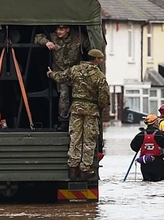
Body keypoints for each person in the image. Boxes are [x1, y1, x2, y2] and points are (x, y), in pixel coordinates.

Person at [47, 49, 109, 181]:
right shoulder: (99, 76)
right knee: (89, 139)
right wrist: (100, 107)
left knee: (75, 137)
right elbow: (104, 98)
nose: (101, 61)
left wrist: (51, 74)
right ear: (96, 60)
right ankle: (85, 169)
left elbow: (61, 77)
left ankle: (73, 169)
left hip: (76, 109)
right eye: (101, 59)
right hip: (91, 110)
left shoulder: (75, 70)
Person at [35, 25, 91, 131]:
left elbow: (90, 46)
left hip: (75, 72)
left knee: (78, 96)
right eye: (57, 29)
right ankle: (64, 121)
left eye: (61, 29)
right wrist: (46, 42)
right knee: (64, 95)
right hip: (60, 73)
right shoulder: (53, 37)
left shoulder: (78, 37)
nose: (58, 31)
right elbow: (37, 37)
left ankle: (79, 121)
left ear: (68, 29)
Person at [130, 114, 164, 182]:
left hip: (145, 165)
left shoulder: (140, 135)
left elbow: (133, 147)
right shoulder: (161, 135)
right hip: (159, 164)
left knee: (147, 182)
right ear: (155, 122)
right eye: (158, 121)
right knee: (161, 182)